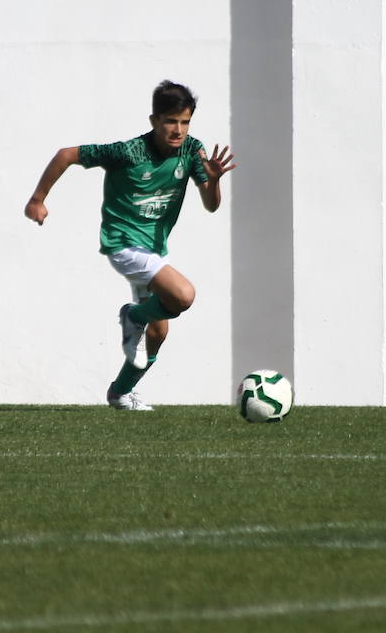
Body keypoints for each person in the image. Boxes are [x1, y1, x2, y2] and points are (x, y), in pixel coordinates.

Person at [24, 80, 236, 410]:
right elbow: (67, 155)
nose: (177, 129)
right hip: (122, 244)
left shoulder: (193, 150)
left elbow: (211, 204)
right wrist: (38, 199)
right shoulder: (128, 152)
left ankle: (119, 393)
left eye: (184, 121)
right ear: (154, 121)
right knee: (183, 295)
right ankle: (133, 316)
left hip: (153, 250)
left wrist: (215, 180)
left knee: (158, 334)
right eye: (170, 121)